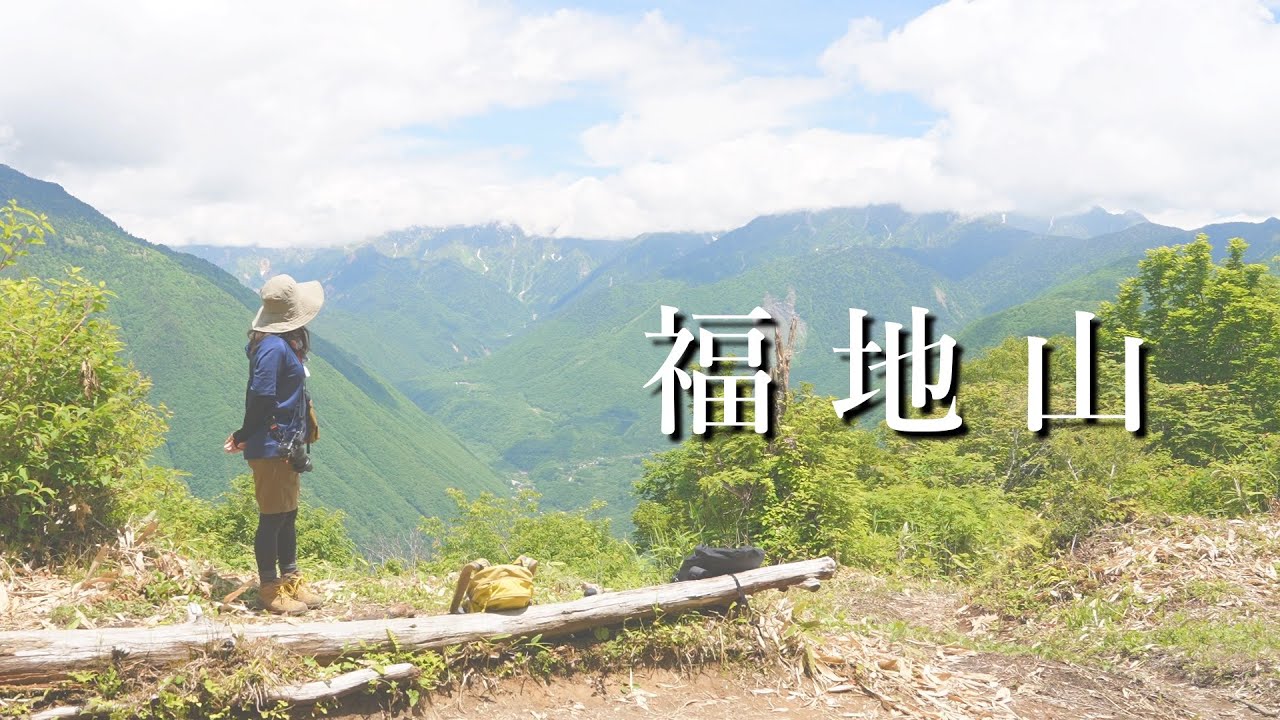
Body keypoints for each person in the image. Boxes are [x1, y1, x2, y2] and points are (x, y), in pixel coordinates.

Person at [224, 274, 325, 615]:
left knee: (287, 515)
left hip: (284, 445)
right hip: (271, 445)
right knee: (272, 518)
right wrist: (242, 435)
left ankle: (290, 578)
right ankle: (269, 588)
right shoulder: (271, 348)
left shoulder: (284, 343)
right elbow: (262, 396)